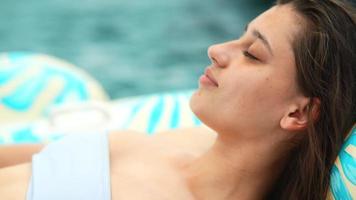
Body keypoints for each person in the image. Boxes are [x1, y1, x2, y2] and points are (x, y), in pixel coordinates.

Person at [0, 0, 355, 199]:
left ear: (298, 112)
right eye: (238, 38)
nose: (216, 50)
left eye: (253, 53)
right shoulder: (182, 141)